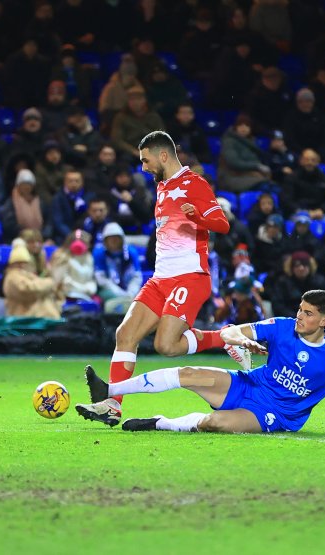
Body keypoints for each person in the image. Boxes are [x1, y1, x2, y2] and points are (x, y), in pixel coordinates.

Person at [75, 131, 243, 428]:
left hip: (189, 276)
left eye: (145, 160)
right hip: (160, 278)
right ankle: (113, 405)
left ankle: (226, 336)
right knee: (125, 334)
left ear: (163, 155)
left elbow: (223, 224)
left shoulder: (195, 183)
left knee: (166, 345)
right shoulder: (163, 187)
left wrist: (197, 218)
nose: (143, 167)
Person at [79, 290, 325, 435]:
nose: (300, 316)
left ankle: (160, 422)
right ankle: (110, 389)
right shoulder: (282, 326)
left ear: (324, 321)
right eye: (300, 309)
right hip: (250, 383)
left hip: (274, 413)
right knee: (189, 373)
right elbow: (232, 330)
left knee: (214, 424)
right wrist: (241, 339)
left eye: (308, 313)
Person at [2, 244, 61, 319]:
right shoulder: (13, 276)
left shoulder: (25, 274)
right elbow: (27, 289)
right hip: (25, 319)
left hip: (36, 319)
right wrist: (49, 283)